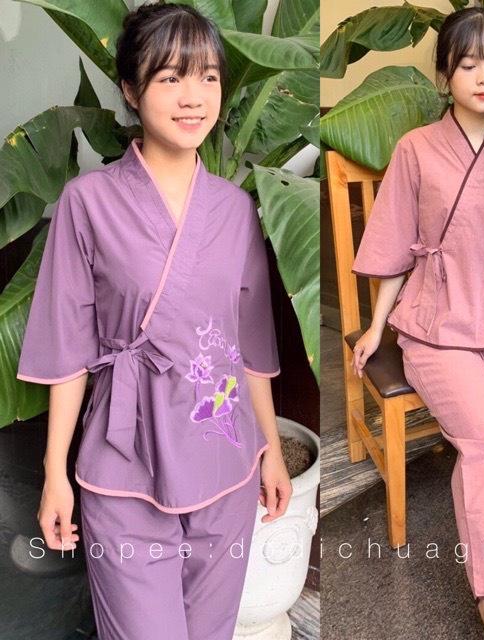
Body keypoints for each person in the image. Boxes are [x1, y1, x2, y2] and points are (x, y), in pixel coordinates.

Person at [16, 3, 292, 638]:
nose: (193, 97)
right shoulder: (87, 203)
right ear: (131, 90)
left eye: (208, 77)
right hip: (125, 462)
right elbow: (67, 351)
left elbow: (250, 347)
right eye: (170, 78)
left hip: (224, 459)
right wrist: (55, 475)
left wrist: (272, 452)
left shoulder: (235, 209)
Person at [350, 7, 484, 640]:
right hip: (438, 329)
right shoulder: (415, 149)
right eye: (469, 64)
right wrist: (376, 326)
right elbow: (394, 245)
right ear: (445, 76)